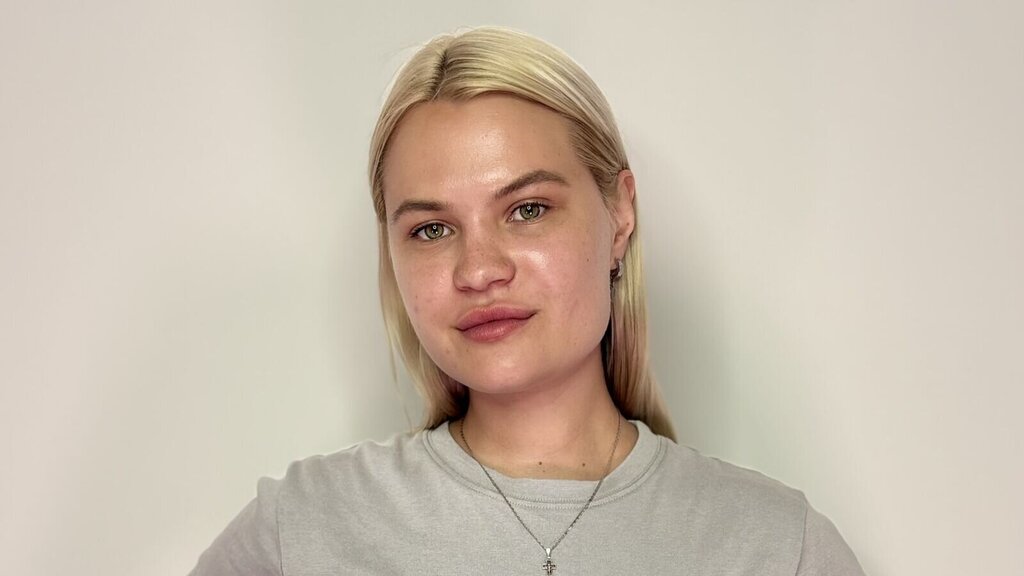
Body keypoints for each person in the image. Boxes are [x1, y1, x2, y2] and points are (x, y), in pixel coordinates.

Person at [190, 26, 864, 575]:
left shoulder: (778, 549)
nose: (479, 270)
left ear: (619, 215)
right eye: (431, 229)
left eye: (528, 209)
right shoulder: (300, 533)